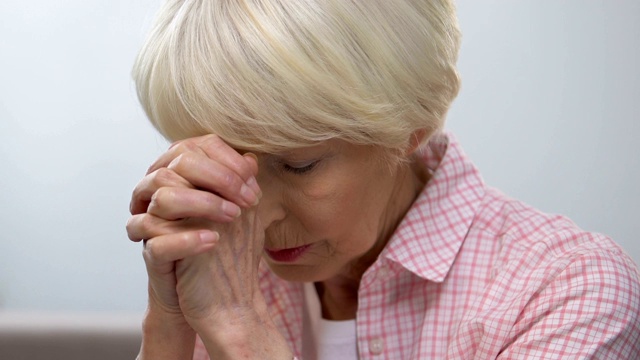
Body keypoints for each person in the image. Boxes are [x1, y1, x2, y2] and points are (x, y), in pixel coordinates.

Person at [126, 0, 640, 359]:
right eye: (223, 164)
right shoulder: (221, 266)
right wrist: (168, 321)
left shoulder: (567, 290)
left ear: (409, 127)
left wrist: (241, 333)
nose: (256, 218)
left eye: (299, 164)